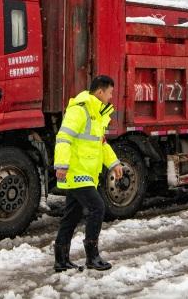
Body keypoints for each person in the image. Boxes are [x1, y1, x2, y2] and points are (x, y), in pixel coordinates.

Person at [53, 75, 124, 272]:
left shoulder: (97, 113)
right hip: (76, 172)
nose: (111, 97)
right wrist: (61, 165)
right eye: (110, 93)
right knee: (98, 208)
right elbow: (64, 137)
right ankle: (92, 257)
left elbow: (100, 144)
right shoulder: (80, 110)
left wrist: (114, 163)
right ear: (100, 92)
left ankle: (61, 259)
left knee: (72, 215)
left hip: (86, 173)